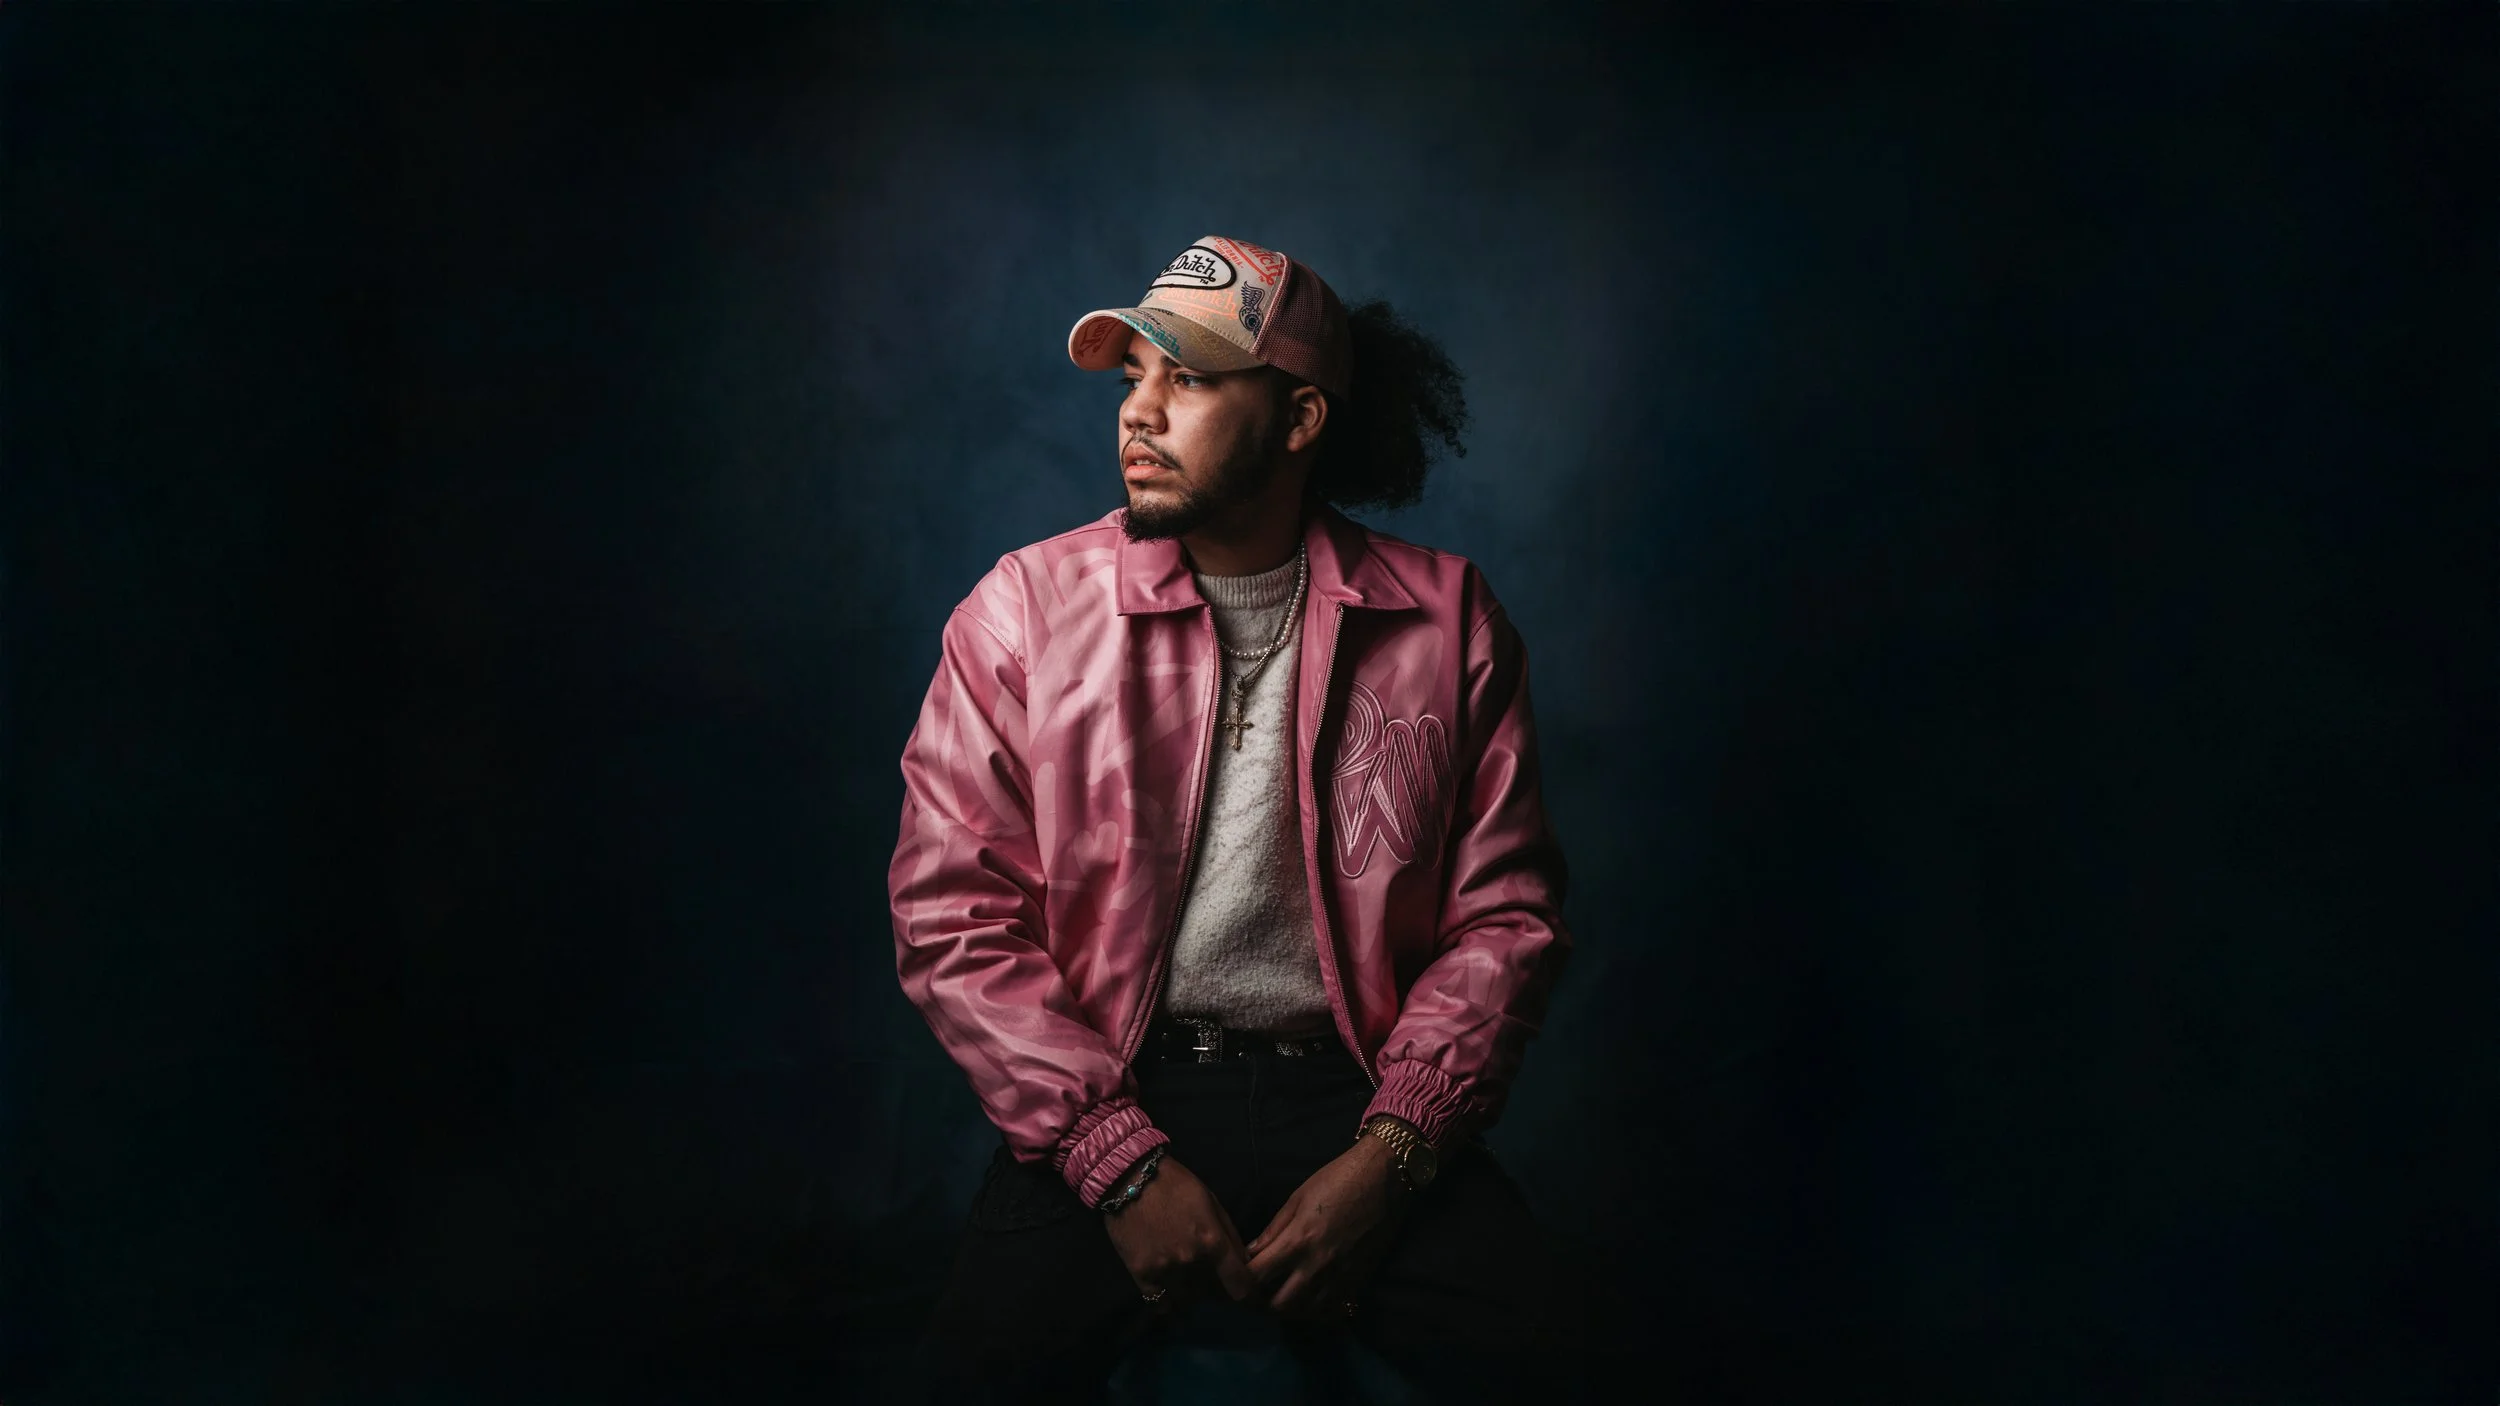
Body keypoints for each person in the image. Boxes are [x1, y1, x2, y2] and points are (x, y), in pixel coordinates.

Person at [889, 235, 1580, 1402]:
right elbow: (953, 915)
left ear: (1301, 416)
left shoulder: (1448, 620)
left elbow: (1504, 916)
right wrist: (1110, 1158)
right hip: (1113, 1083)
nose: (1139, 415)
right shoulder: (1023, 612)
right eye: (1131, 381)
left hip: (1361, 1089)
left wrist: (1393, 1150)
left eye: (1190, 379)